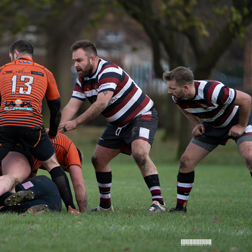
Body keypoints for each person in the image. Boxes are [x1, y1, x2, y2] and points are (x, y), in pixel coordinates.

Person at [0, 39, 78, 214]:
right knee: (53, 166)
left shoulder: (1, 70)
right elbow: (55, 109)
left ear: (15, 54)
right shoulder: (45, 72)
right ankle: (71, 207)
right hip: (32, 126)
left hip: (5, 125)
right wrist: (53, 132)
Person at [58, 40, 166, 213]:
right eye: (74, 61)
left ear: (92, 59)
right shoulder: (82, 79)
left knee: (140, 153)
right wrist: (57, 129)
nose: (76, 65)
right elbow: (72, 106)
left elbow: (101, 104)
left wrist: (76, 123)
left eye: (79, 60)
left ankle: (159, 202)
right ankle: (106, 207)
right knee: (98, 159)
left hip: (142, 116)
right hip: (118, 124)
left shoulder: (109, 71)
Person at [162, 66, 252, 213]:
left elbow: (247, 100)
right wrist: (197, 124)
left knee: (250, 157)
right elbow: (184, 107)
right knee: (186, 162)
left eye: (172, 88)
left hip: (239, 121)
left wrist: (241, 126)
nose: (169, 91)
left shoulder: (213, 90)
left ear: (185, 87)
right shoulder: (178, 96)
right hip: (212, 126)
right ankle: (180, 208)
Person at [30, 132, 88, 212]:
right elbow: (79, 184)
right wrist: (83, 211)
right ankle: (72, 208)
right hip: (40, 144)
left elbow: (32, 175)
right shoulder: (72, 148)